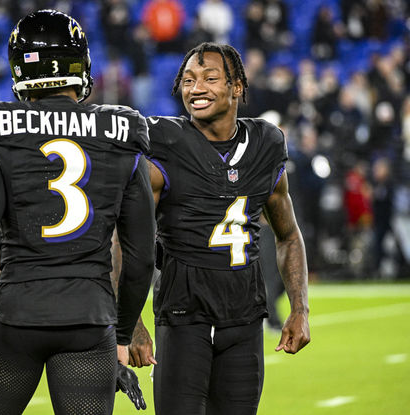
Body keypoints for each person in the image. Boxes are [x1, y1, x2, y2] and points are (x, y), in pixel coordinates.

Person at [0, 10, 154, 415]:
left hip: (17, 315)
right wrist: (123, 334)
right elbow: (141, 256)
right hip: (89, 322)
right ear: (81, 65)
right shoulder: (124, 129)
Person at [129, 42, 310, 415]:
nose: (196, 89)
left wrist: (299, 308)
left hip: (245, 319)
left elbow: (288, 235)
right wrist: (127, 322)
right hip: (183, 318)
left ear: (237, 87)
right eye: (188, 80)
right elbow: (124, 235)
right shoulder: (164, 143)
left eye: (210, 78)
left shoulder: (266, 143)